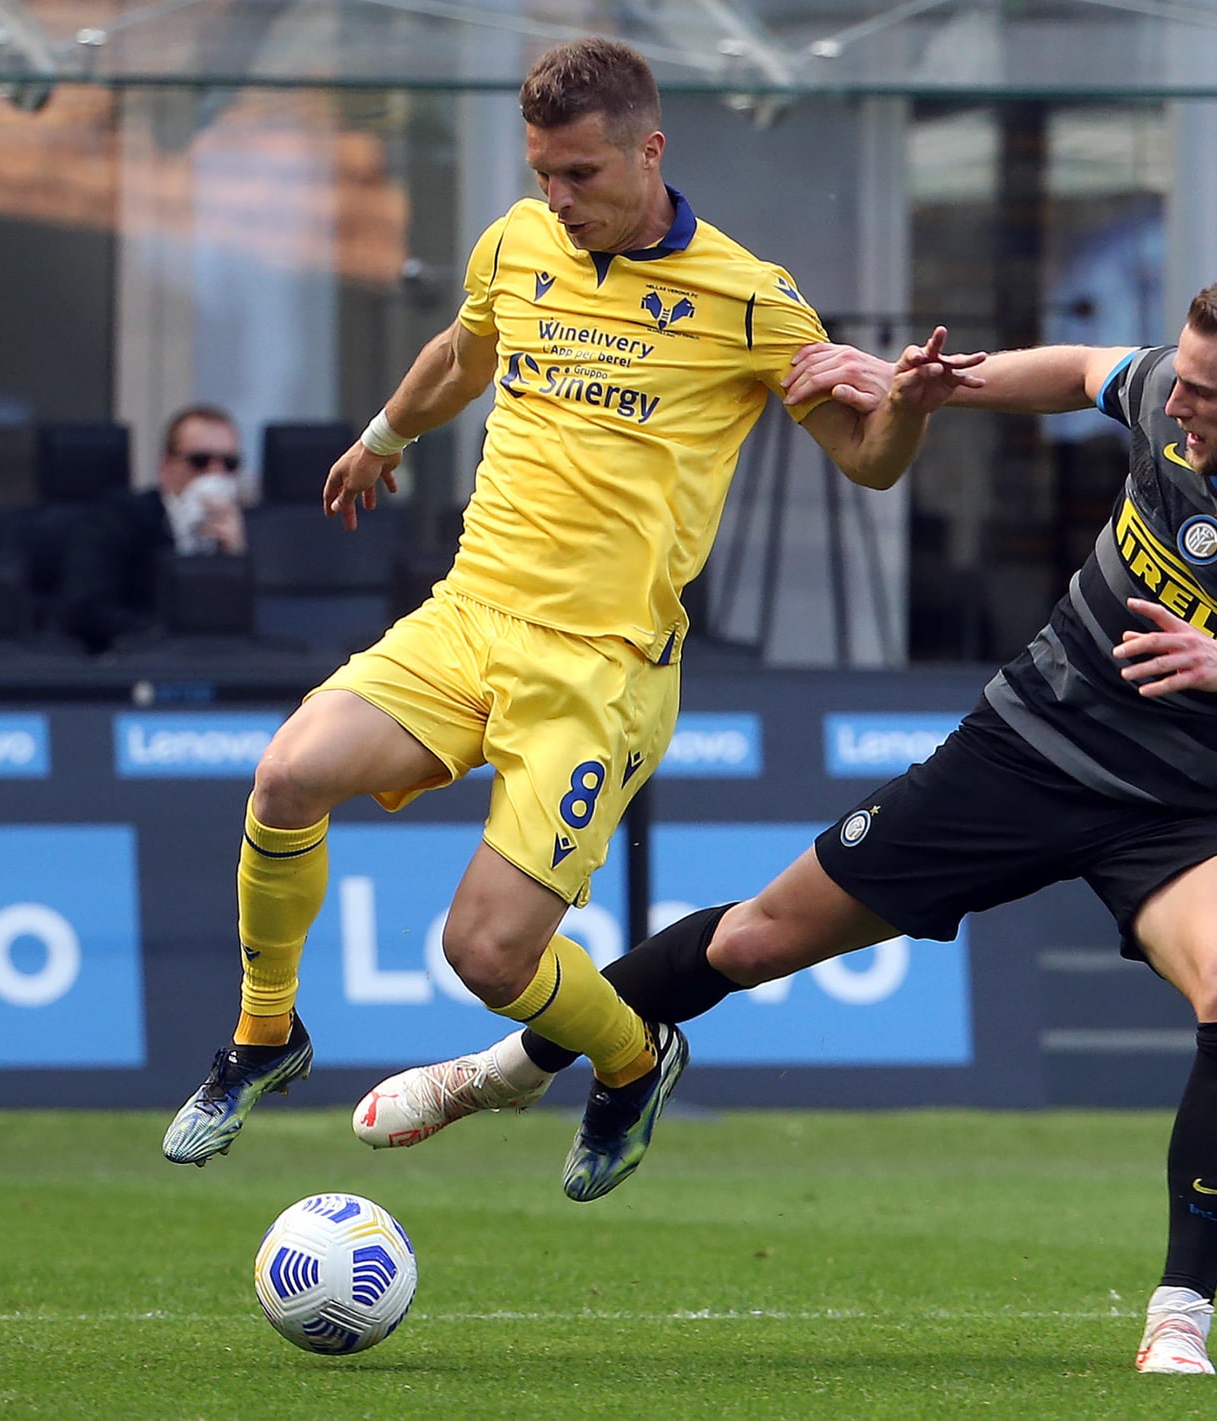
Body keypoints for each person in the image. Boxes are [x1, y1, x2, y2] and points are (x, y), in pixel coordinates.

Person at [357, 274, 1217, 1376]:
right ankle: (504, 1069)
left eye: (1204, 393)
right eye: (1177, 380)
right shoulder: (1167, 399)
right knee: (754, 937)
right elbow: (1077, 370)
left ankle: (1179, 1314)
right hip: (1021, 753)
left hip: (1180, 810)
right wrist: (933, 387)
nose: (1177, 401)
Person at [160, 37, 976, 1198]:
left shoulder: (750, 300)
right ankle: (263, 1034)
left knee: (485, 953)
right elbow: (463, 351)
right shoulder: (516, 241)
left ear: (649, 152)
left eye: (580, 174)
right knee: (288, 774)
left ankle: (634, 1061)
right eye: (543, 173)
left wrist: (905, 406)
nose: (558, 197)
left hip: (600, 670)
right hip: (469, 614)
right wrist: (383, 437)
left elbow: (867, 461)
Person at [56, 404, 247, 653]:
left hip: (222, 662)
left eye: (230, 463)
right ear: (166, 468)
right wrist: (163, 633)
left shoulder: (251, 529)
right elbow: (85, 609)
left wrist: (235, 559)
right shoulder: (118, 519)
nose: (216, 473)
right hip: (137, 661)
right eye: (200, 461)